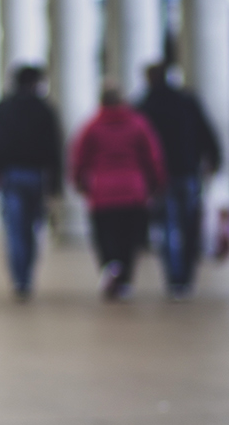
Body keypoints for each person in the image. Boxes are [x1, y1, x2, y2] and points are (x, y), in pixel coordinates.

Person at [69, 84, 166, 299]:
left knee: (105, 235)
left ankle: (110, 265)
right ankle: (125, 281)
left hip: (102, 190)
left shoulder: (92, 126)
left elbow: (79, 156)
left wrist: (78, 181)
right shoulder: (138, 124)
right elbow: (152, 155)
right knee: (129, 239)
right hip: (133, 189)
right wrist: (156, 182)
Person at [138, 62, 222, 296]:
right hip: (187, 170)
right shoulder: (186, 101)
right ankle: (186, 274)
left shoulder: (144, 106)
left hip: (160, 176)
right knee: (188, 225)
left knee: (167, 227)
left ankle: (174, 277)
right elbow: (206, 131)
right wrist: (214, 158)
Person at [0, 65, 63, 298]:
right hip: (36, 174)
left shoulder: (2, 108)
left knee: (15, 228)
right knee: (31, 227)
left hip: (11, 174)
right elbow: (54, 147)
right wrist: (55, 182)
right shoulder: (45, 109)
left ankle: (19, 278)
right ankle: (27, 275)